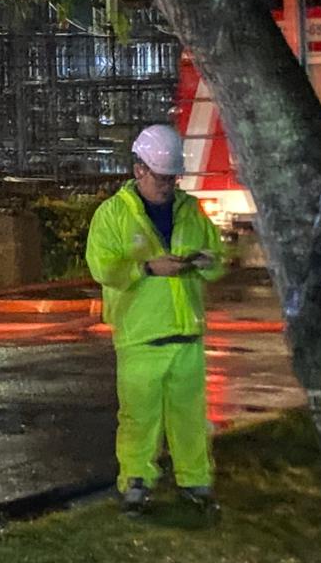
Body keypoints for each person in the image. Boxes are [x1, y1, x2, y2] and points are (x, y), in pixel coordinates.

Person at [85, 123, 226, 513]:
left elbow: (218, 258)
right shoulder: (113, 215)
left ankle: (195, 481)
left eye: (172, 178)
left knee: (189, 418)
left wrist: (207, 262)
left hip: (186, 334)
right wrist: (146, 268)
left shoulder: (190, 211)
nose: (168, 185)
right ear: (139, 170)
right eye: (162, 177)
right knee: (139, 418)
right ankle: (136, 481)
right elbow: (102, 267)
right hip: (141, 336)